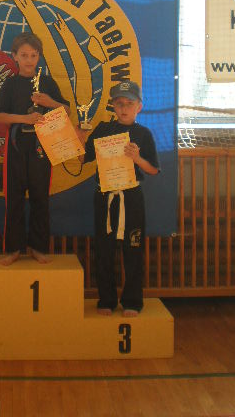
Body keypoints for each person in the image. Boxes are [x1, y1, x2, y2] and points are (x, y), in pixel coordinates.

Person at [77, 80, 159, 317]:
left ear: (139, 106)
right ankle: (107, 299)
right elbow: (83, 159)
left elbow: (153, 169)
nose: (124, 108)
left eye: (129, 103)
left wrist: (137, 158)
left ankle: (132, 301)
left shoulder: (144, 134)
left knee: (132, 249)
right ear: (113, 105)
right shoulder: (103, 129)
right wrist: (80, 138)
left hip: (131, 197)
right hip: (105, 195)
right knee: (104, 250)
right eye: (119, 103)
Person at [0, 32, 70, 266]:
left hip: (42, 148)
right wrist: (24, 119)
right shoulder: (10, 84)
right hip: (16, 147)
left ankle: (38, 247)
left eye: (33, 55)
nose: (29, 60)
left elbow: (67, 111)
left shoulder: (47, 82)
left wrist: (49, 102)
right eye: (24, 55)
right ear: (14, 56)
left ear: (39, 57)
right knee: (14, 198)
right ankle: (13, 249)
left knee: (40, 197)